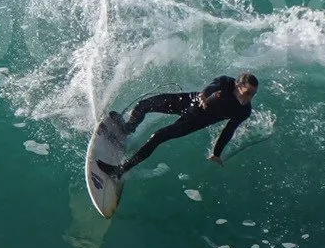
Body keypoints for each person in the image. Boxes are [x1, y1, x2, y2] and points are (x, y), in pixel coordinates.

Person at [103, 73, 256, 175]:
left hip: (195, 121)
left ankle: (121, 170)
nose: (249, 98)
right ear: (237, 86)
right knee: (143, 105)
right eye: (247, 93)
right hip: (189, 101)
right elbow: (212, 86)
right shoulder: (226, 82)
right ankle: (128, 128)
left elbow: (228, 131)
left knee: (158, 136)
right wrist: (203, 95)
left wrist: (216, 153)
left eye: (253, 94)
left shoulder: (243, 111)